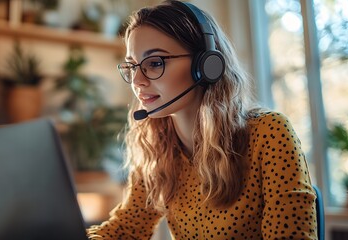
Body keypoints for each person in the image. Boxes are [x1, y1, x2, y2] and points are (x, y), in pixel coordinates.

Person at [87, 0, 318, 239]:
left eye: (154, 63)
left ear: (208, 65)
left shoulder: (269, 133)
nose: (137, 81)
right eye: (132, 66)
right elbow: (125, 229)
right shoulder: (157, 147)